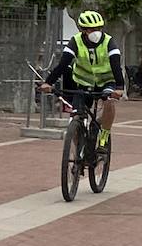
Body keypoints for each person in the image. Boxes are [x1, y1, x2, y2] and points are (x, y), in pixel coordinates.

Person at [39, 10, 124, 148]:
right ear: (84, 30)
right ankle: (80, 151)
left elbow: (116, 66)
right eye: (92, 29)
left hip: (106, 81)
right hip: (83, 82)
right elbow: (63, 64)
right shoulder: (75, 41)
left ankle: (104, 135)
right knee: (75, 117)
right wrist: (48, 82)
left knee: (109, 102)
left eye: (99, 28)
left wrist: (120, 88)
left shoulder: (109, 42)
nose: (96, 32)